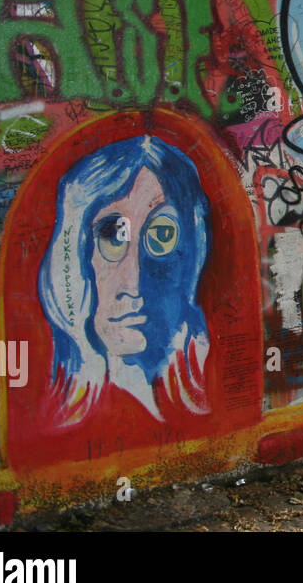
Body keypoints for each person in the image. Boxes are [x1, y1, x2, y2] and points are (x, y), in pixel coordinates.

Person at [37, 134, 211, 426]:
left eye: (163, 235)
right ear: (76, 257)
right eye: (111, 236)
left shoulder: (203, 388)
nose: (134, 284)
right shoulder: (70, 419)